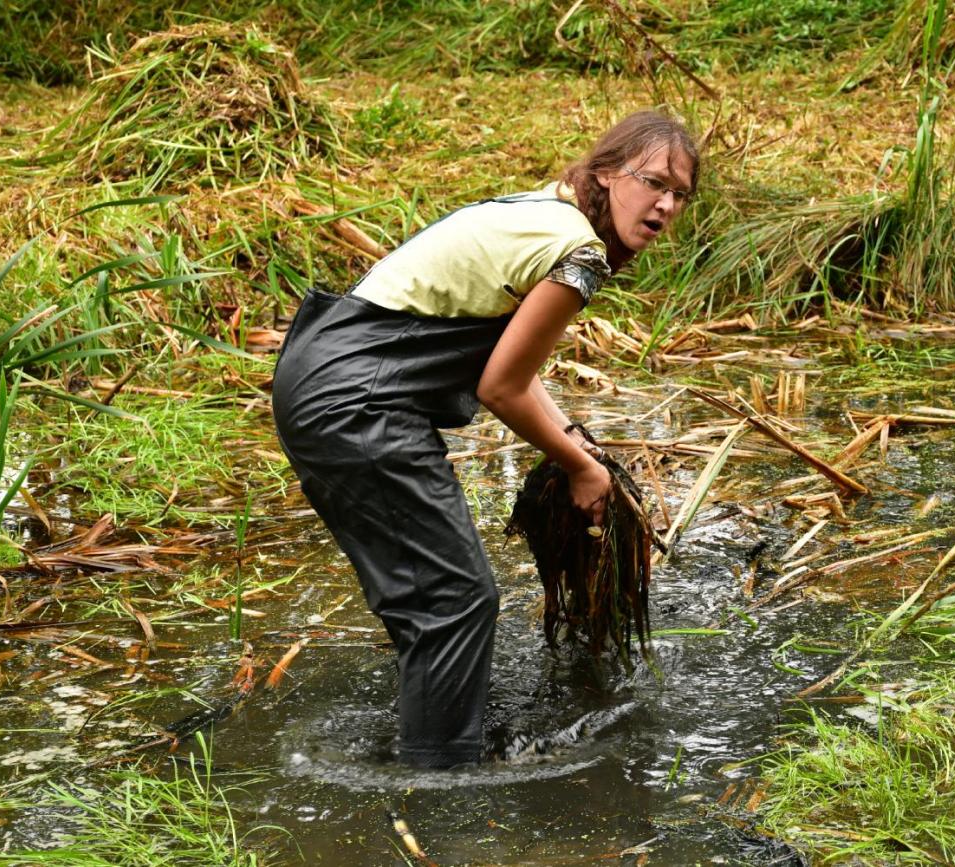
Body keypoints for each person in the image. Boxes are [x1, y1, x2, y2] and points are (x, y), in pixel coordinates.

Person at [271, 111, 699, 768]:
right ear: (608, 173)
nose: (665, 204)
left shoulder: (550, 213)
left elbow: (509, 366)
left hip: (323, 375)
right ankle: (438, 783)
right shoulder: (578, 251)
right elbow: (501, 385)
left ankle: (427, 737)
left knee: (429, 600)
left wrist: (573, 442)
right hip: (357, 397)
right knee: (457, 599)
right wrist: (581, 470)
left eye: (680, 194)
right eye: (654, 182)